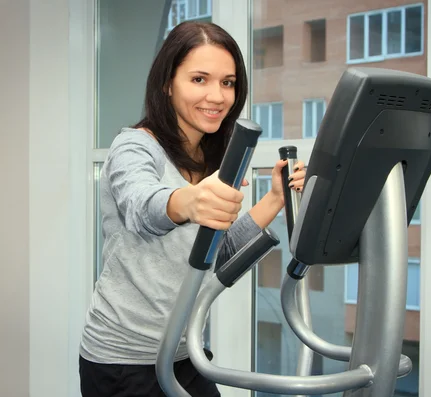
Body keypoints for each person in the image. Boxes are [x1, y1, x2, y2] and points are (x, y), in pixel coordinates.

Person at [78, 21, 306, 397]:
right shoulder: (134, 147)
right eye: (199, 79)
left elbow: (215, 254)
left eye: (227, 83)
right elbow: (143, 208)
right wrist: (189, 200)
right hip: (122, 361)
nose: (216, 96)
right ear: (168, 83)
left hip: (184, 353)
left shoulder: (210, 156)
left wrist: (276, 199)